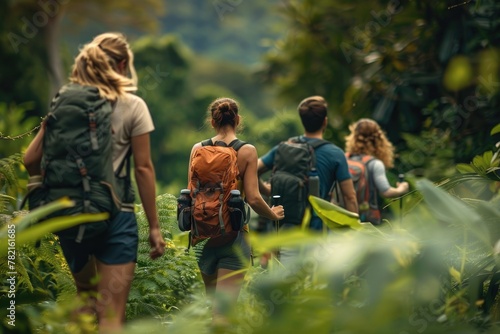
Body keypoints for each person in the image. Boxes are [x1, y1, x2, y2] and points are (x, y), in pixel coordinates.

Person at [23, 32, 166, 332]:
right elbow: (143, 169)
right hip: (117, 215)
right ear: (124, 63)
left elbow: (30, 158)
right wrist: (154, 227)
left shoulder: (67, 101)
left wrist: (40, 187)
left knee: (85, 301)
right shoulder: (133, 105)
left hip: (72, 213)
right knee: (111, 315)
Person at [187, 97, 284, 324]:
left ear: (212, 122)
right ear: (238, 120)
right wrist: (273, 214)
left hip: (203, 238)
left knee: (213, 309)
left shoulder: (197, 149)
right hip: (234, 238)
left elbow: (191, 193)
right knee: (224, 314)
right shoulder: (247, 151)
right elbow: (253, 198)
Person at [257, 96, 358, 265]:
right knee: (314, 287)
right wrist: (354, 231)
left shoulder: (284, 148)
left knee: (288, 284)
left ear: (302, 120)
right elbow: (350, 197)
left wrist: (267, 190)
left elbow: (252, 170)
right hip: (318, 235)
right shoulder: (335, 153)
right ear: (325, 121)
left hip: (287, 231)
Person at [344, 118, 409, 217]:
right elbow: (386, 192)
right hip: (365, 216)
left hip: (342, 213)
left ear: (353, 137)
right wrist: (401, 189)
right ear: (378, 139)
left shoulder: (344, 158)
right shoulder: (374, 164)